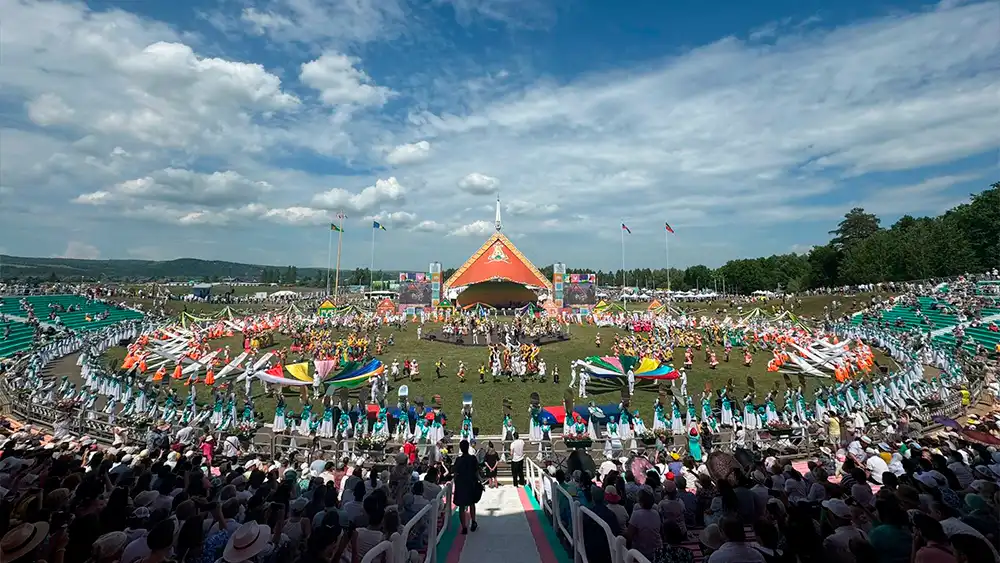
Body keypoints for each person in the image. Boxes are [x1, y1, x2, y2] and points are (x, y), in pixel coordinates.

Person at [452, 439, 482, 534]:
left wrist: (455, 483)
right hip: (471, 483)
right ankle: (473, 521)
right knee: (472, 503)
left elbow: (455, 473)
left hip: (461, 484)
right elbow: (476, 472)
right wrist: (480, 481)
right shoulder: (473, 458)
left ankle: (464, 526)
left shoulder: (458, 460)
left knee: (461, 506)